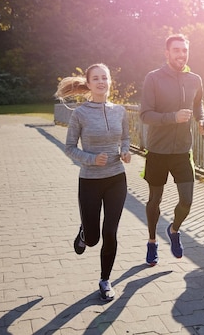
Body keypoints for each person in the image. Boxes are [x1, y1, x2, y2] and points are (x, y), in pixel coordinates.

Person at [54, 63, 131, 302]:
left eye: (104, 78)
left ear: (110, 82)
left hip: (116, 179)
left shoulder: (120, 111)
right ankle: (83, 235)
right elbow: (68, 148)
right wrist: (91, 159)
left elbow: (126, 137)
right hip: (90, 181)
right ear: (88, 84)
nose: (101, 82)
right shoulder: (80, 113)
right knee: (93, 238)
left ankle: (105, 280)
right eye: (96, 78)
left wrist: (126, 151)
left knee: (110, 232)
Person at [140, 34, 204, 266]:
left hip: (182, 151)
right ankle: (151, 242)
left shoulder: (195, 79)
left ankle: (174, 229)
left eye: (184, 50)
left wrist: (201, 119)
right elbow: (145, 115)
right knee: (154, 200)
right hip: (157, 151)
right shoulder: (153, 79)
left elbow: (198, 103)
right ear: (167, 53)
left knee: (186, 201)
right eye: (176, 50)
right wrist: (173, 118)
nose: (181, 54)